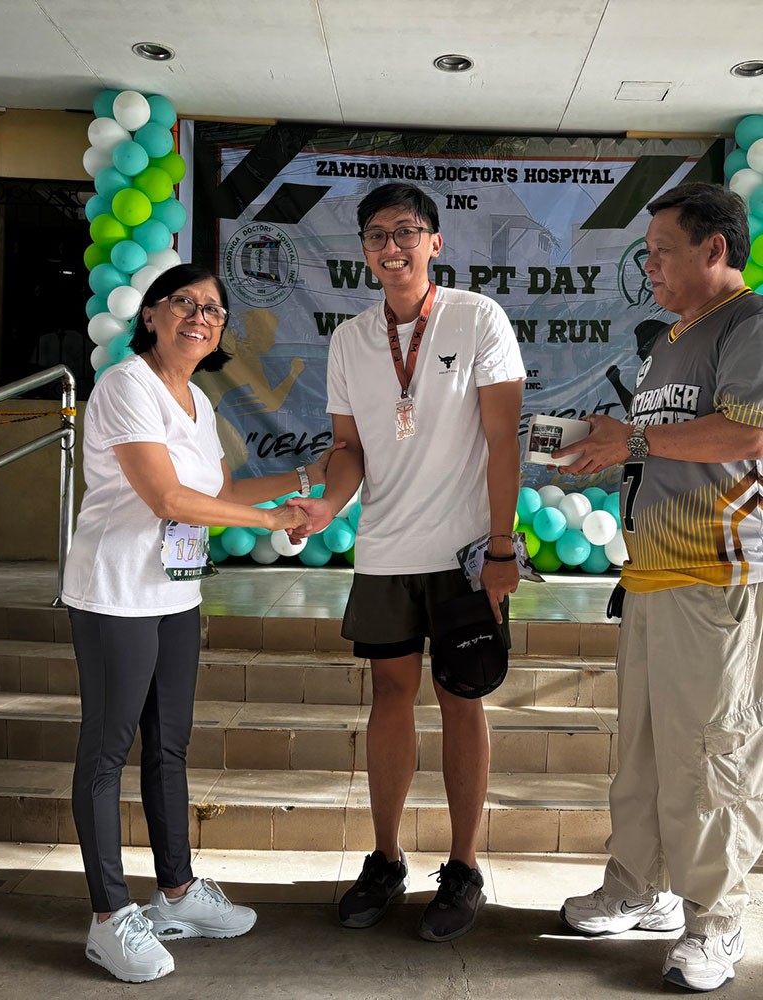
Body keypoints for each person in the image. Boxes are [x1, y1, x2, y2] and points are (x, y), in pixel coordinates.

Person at [61, 263, 337, 984]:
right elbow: (169, 499)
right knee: (106, 752)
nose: (200, 316)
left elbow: (217, 491)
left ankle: (176, 895)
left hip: (174, 593)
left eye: (213, 309)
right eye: (184, 302)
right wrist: (270, 518)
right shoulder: (127, 386)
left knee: (169, 748)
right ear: (150, 315)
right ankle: (107, 917)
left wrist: (307, 480)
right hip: (116, 592)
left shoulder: (195, 401)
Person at [288, 183, 525, 941]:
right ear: (364, 250)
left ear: (436, 243)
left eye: (407, 232)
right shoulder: (350, 339)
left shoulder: (478, 318)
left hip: (462, 556)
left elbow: (502, 440)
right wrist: (328, 505)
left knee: (464, 699)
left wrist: (499, 546)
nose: (393, 247)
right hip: (385, 549)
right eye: (378, 236)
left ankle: (462, 867)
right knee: (389, 697)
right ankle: (386, 857)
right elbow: (350, 449)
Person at [558, 182, 763, 993]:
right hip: (649, 576)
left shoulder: (750, 323)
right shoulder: (676, 338)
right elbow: (668, 446)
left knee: (711, 755)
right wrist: (604, 447)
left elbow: (750, 428)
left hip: (715, 577)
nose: (648, 267)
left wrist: (633, 435)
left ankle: (718, 917)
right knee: (641, 754)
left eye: (660, 251)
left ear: (715, 250)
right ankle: (639, 889)